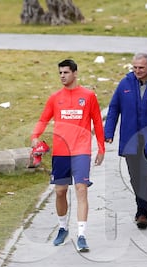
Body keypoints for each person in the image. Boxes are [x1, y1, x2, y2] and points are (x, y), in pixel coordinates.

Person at [30, 59, 105, 252]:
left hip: (81, 150)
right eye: (60, 73)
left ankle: (81, 235)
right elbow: (43, 119)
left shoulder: (88, 96)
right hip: (61, 151)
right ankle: (62, 228)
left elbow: (97, 122)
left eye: (65, 72)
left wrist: (101, 149)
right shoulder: (55, 98)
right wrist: (35, 136)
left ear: (75, 73)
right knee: (60, 192)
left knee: (81, 189)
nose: (62, 76)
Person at [104, 53, 147, 229]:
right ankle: (141, 206)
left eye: (141, 67)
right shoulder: (125, 84)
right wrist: (108, 132)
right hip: (130, 139)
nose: (137, 71)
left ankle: (142, 212)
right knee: (135, 176)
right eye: (134, 67)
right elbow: (113, 108)